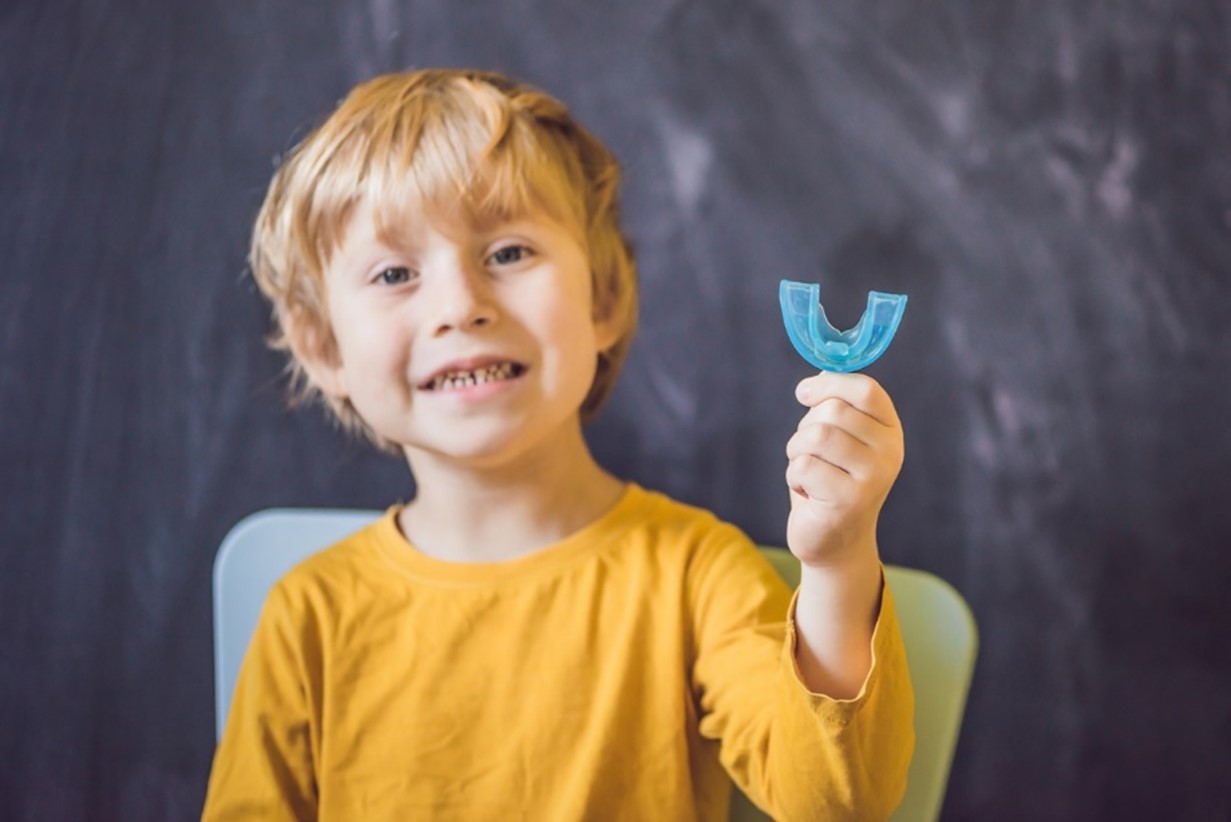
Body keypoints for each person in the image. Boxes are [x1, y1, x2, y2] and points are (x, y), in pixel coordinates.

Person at [202, 68, 913, 821]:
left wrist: (838, 558)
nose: (460, 306)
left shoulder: (695, 574)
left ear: (602, 299)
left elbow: (839, 804)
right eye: (394, 273)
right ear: (324, 350)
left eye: (507, 253)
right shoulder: (307, 617)